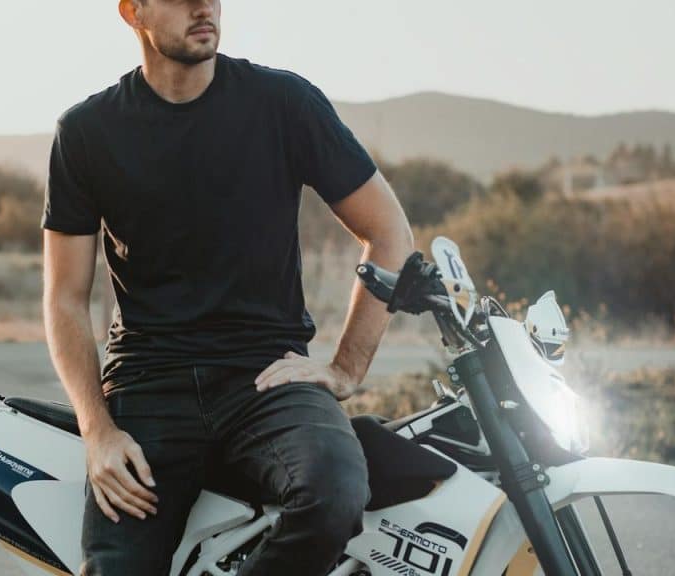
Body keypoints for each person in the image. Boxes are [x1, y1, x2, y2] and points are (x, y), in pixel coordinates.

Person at [41, 1, 413, 574]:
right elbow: (65, 298)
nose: (203, 6)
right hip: (149, 383)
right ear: (133, 12)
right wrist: (99, 431)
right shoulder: (87, 132)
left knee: (334, 493)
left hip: (267, 378)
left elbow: (389, 234)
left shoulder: (284, 104)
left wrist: (345, 369)